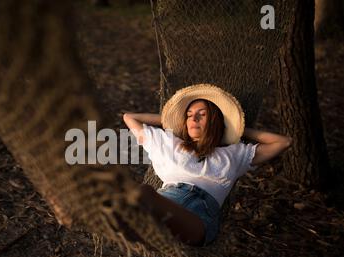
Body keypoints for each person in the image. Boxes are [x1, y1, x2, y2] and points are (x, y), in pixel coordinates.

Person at [123, 84, 292, 246]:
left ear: (215, 121)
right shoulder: (168, 143)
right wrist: (172, 121)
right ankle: (129, 226)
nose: (193, 119)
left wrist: (238, 129)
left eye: (201, 114)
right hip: (166, 200)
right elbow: (129, 117)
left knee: (146, 199)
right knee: (141, 194)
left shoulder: (234, 154)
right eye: (189, 115)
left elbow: (283, 142)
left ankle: (135, 228)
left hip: (199, 216)